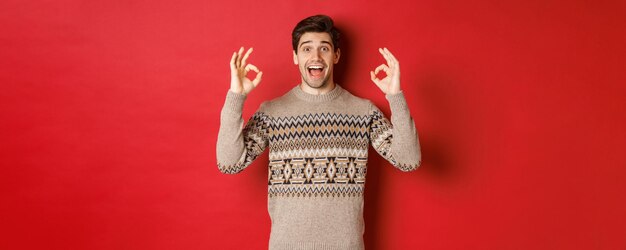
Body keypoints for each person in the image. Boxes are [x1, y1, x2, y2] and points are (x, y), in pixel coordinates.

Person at [216, 14, 421, 250]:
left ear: (336, 56)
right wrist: (236, 96)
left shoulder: (362, 112)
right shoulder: (272, 112)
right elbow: (229, 163)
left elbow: (409, 161)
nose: (315, 56)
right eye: (306, 49)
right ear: (295, 57)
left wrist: (395, 97)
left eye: (324, 48)